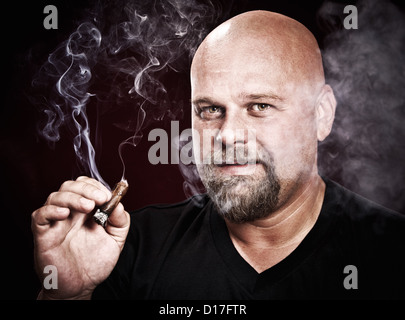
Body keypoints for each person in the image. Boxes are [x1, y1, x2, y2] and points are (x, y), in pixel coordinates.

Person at [31, 10, 405, 300]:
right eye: (210, 110)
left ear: (321, 114)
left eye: (259, 106)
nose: (228, 136)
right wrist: (67, 293)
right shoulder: (126, 248)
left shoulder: (391, 252)